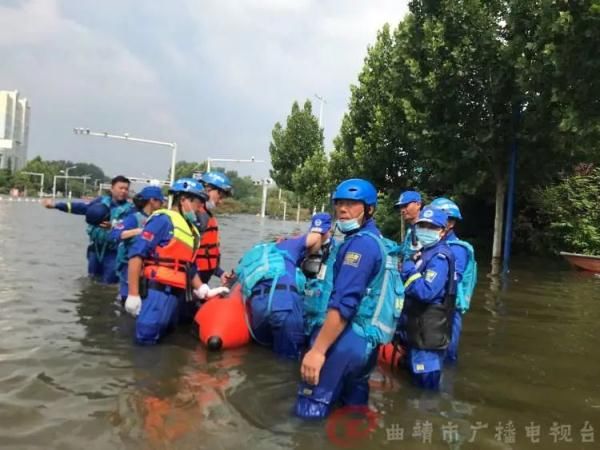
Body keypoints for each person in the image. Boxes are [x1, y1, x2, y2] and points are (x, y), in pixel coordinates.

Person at [295, 179, 404, 419]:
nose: (343, 209)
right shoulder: (375, 241)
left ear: (369, 210)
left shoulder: (360, 246)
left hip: (346, 340)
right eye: (339, 203)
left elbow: (344, 304)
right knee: (352, 413)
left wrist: (318, 351)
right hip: (364, 345)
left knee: (308, 416)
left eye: (352, 204)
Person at [124, 178, 226, 345]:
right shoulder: (163, 221)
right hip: (156, 292)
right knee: (146, 342)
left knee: (167, 341)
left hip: (175, 296)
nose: (200, 208)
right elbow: (136, 255)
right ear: (184, 200)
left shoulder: (189, 229)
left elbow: (188, 265)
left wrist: (202, 288)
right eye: (198, 203)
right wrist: (133, 294)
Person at [236, 213, 332, 360]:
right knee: (288, 362)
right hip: (284, 304)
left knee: (262, 355)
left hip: (258, 307)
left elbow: (233, 275)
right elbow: (315, 237)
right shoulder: (293, 245)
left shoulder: (258, 253)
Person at [401, 205, 456, 390]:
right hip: (418, 330)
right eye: (422, 226)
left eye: (431, 227)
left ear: (442, 231)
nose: (425, 231)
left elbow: (426, 291)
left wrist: (408, 269)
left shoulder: (439, 257)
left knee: (426, 394)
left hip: (428, 333)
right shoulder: (425, 253)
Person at [43, 175, 133, 283]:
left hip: (114, 252)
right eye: (120, 188)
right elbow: (81, 208)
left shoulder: (130, 210)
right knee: (92, 280)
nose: (123, 191)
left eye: (126, 189)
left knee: (109, 283)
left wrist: (113, 227)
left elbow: (132, 229)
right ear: (112, 188)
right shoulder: (100, 202)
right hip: (95, 248)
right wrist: (56, 205)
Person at [430, 197, 477, 364]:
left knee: (447, 356)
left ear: (450, 223)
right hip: (433, 309)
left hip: (448, 310)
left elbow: (450, 281)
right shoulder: (433, 245)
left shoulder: (457, 249)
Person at [110, 185, 165, 302]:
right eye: (160, 201)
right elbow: (114, 235)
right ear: (152, 200)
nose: (162, 204)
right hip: (129, 267)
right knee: (127, 300)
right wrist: (139, 232)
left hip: (149, 269)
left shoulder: (160, 220)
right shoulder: (134, 218)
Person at [195, 171, 234, 285]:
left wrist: (220, 273)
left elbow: (207, 255)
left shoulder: (206, 215)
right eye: (220, 196)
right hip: (190, 284)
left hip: (200, 282)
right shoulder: (195, 216)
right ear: (207, 190)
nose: (220, 202)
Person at [394, 190, 422, 260]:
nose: (402, 210)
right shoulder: (411, 229)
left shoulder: (425, 228)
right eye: (400, 207)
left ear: (418, 204)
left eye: (405, 205)